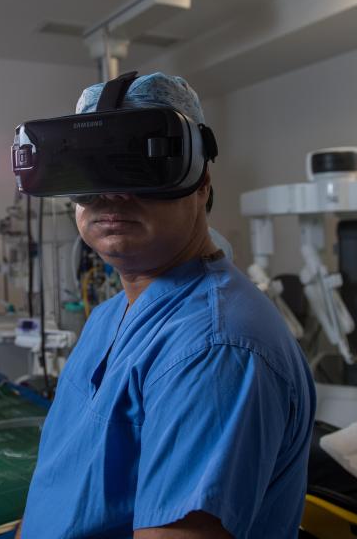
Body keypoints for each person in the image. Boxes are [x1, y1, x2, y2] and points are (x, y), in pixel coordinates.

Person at [17, 73, 315, 538]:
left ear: (201, 182)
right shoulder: (108, 316)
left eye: (139, 166)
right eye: (89, 169)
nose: (112, 194)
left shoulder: (214, 349)